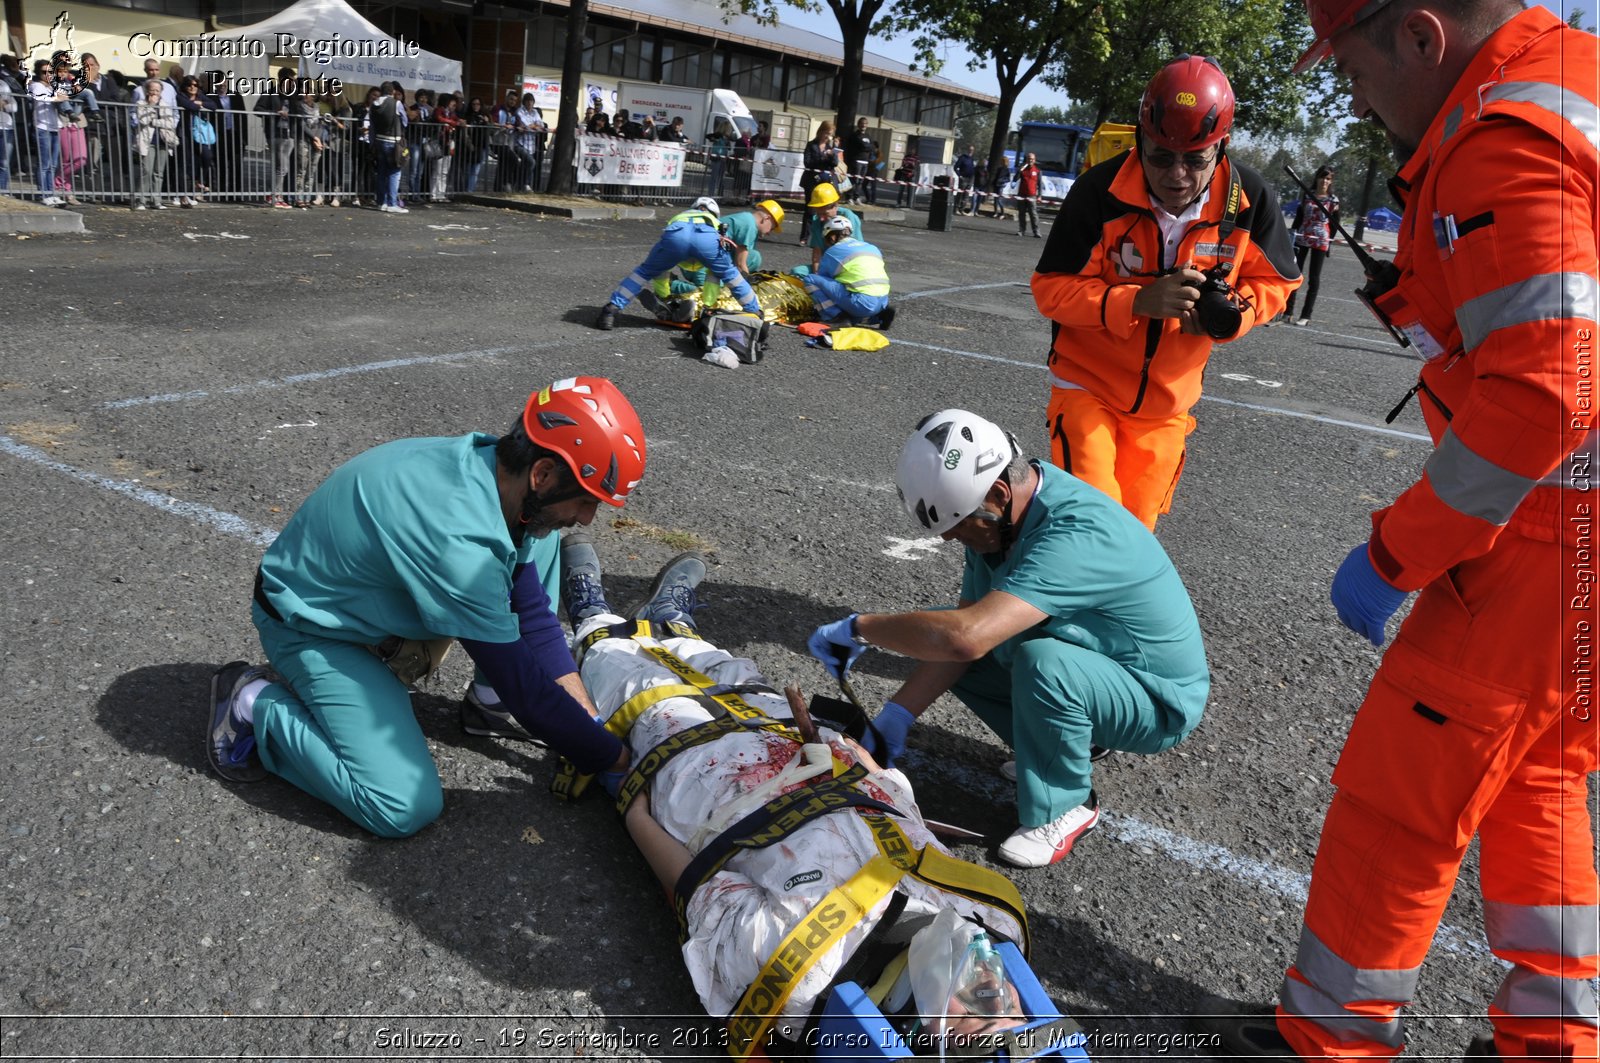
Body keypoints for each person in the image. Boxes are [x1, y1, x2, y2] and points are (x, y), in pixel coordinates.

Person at [1194, 0, 1599, 1058]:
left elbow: (1549, 391)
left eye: (1350, 64)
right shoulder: (1576, 83)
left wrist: (1394, 552)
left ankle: (1327, 1040)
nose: (1348, 93)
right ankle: (1551, 1036)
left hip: (1548, 539)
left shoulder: (1501, 135)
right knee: (1535, 774)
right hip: (1583, 547)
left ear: (1420, 35)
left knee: (1400, 794)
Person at [557, 531, 1081, 1058]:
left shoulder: (795, 978)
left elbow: (697, 887)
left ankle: (592, 619)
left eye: (984, 1021)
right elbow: (911, 825)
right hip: (810, 754)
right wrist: (866, 762)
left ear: (919, 1035)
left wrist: (632, 804)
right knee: (734, 677)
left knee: (636, 687)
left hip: (707, 774)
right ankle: (673, 623)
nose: (999, 994)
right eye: (1018, 1012)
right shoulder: (991, 917)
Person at [207, 378, 647, 838]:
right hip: (311, 625)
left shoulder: (491, 467)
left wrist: (588, 719)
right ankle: (252, 703)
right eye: (585, 500)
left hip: (374, 594)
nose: (587, 518)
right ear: (542, 474)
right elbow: (528, 690)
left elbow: (533, 616)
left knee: (543, 542)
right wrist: (614, 759)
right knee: (401, 806)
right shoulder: (459, 543)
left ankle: (487, 703)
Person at [808, 409, 1209, 868]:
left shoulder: (1078, 533)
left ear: (997, 494)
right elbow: (960, 630)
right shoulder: (1007, 520)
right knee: (945, 633)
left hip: (1158, 702)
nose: (950, 540)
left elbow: (966, 638)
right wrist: (891, 720)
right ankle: (1078, 740)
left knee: (1040, 662)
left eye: (957, 525)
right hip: (1104, 667)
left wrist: (860, 627)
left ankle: (1068, 805)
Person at [1031, 56, 1299, 530]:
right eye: (1160, 156)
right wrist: (1135, 301)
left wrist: (1239, 315)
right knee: (1092, 525)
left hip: (1168, 409)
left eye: (1195, 160)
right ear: (1140, 138)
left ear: (1222, 148)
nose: (1176, 175)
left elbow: (1278, 282)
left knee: (1136, 535)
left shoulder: (1249, 199)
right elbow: (1051, 291)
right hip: (1086, 389)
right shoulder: (1099, 191)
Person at [594, 197, 762, 330]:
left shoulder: (683, 215)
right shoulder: (714, 221)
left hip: (676, 234)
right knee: (727, 274)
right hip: (707, 240)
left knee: (647, 271)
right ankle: (742, 311)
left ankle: (612, 309)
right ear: (714, 213)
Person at [803, 215, 894, 329]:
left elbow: (822, 278)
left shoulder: (833, 251)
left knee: (811, 279)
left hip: (862, 303)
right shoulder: (871, 247)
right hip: (882, 302)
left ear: (832, 237)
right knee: (856, 313)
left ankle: (835, 316)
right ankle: (879, 316)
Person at [1278, 165, 1339, 326]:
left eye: (1328, 178)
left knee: (1314, 278)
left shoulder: (1333, 200)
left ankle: (1306, 315)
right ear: (1317, 178)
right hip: (1302, 237)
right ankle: (1288, 312)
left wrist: (1330, 243)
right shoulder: (1307, 195)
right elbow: (1299, 217)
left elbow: (1335, 224)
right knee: (1296, 274)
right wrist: (1292, 236)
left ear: (1331, 181)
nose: (1324, 181)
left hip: (1320, 240)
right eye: (1322, 177)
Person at [254, 67, 301, 209]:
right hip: (275, 134)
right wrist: (275, 112)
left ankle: (274, 195)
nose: (292, 83)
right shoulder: (270, 92)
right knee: (281, 167)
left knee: (282, 168)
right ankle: (276, 196)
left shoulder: (293, 95)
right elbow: (257, 109)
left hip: (289, 135)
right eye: (289, 80)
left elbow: (299, 112)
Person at [130, 77, 177, 210]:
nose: (155, 93)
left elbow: (170, 123)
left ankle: (156, 200)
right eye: (152, 90)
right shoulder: (141, 104)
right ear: (147, 91)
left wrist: (156, 122)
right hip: (147, 141)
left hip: (163, 140)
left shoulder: (165, 104)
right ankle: (141, 200)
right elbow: (143, 121)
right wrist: (150, 106)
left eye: (157, 90)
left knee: (159, 173)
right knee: (146, 171)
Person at [366, 81, 408, 214]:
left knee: (381, 173)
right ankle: (392, 203)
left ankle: (381, 202)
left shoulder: (374, 105)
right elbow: (405, 122)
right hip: (393, 141)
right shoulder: (396, 104)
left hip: (379, 141)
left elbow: (372, 125)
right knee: (394, 172)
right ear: (392, 91)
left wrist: (372, 142)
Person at [803, 181, 863, 272]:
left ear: (836, 205)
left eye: (824, 213)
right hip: (828, 264)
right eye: (818, 213)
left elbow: (854, 251)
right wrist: (817, 276)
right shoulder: (817, 220)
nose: (821, 218)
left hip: (849, 265)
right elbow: (817, 253)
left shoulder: (849, 218)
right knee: (798, 272)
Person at [799, 120, 838, 244]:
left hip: (825, 183)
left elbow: (835, 164)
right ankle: (804, 237)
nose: (828, 136)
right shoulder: (811, 145)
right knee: (809, 210)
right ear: (821, 131)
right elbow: (807, 162)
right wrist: (822, 158)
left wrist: (832, 154)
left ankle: (826, 236)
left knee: (827, 209)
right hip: (811, 181)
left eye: (830, 134)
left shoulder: (830, 147)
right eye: (826, 133)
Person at [1013, 152, 1042, 237]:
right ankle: (1022, 230)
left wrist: (1039, 195)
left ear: (1034, 160)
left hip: (1032, 195)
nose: (1030, 160)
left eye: (1032, 159)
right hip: (1022, 194)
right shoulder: (1023, 169)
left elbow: (1040, 184)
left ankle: (1036, 231)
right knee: (1021, 213)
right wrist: (1020, 170)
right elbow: (1015, 179)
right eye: (1029, 159)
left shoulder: (1037, 171)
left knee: (1033, 214)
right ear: (1026, 160)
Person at [953, 144, 976, 214]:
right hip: (963, 178)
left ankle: (962, 209)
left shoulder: (972, 159)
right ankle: (956, 208)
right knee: (960, 194)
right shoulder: (962, 158)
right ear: (967, 150)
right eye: (970, 150)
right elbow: (955, 167)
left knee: (966, 195)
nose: (971, 151)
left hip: (970, 178)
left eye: (972, 150)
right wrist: (960, 176)